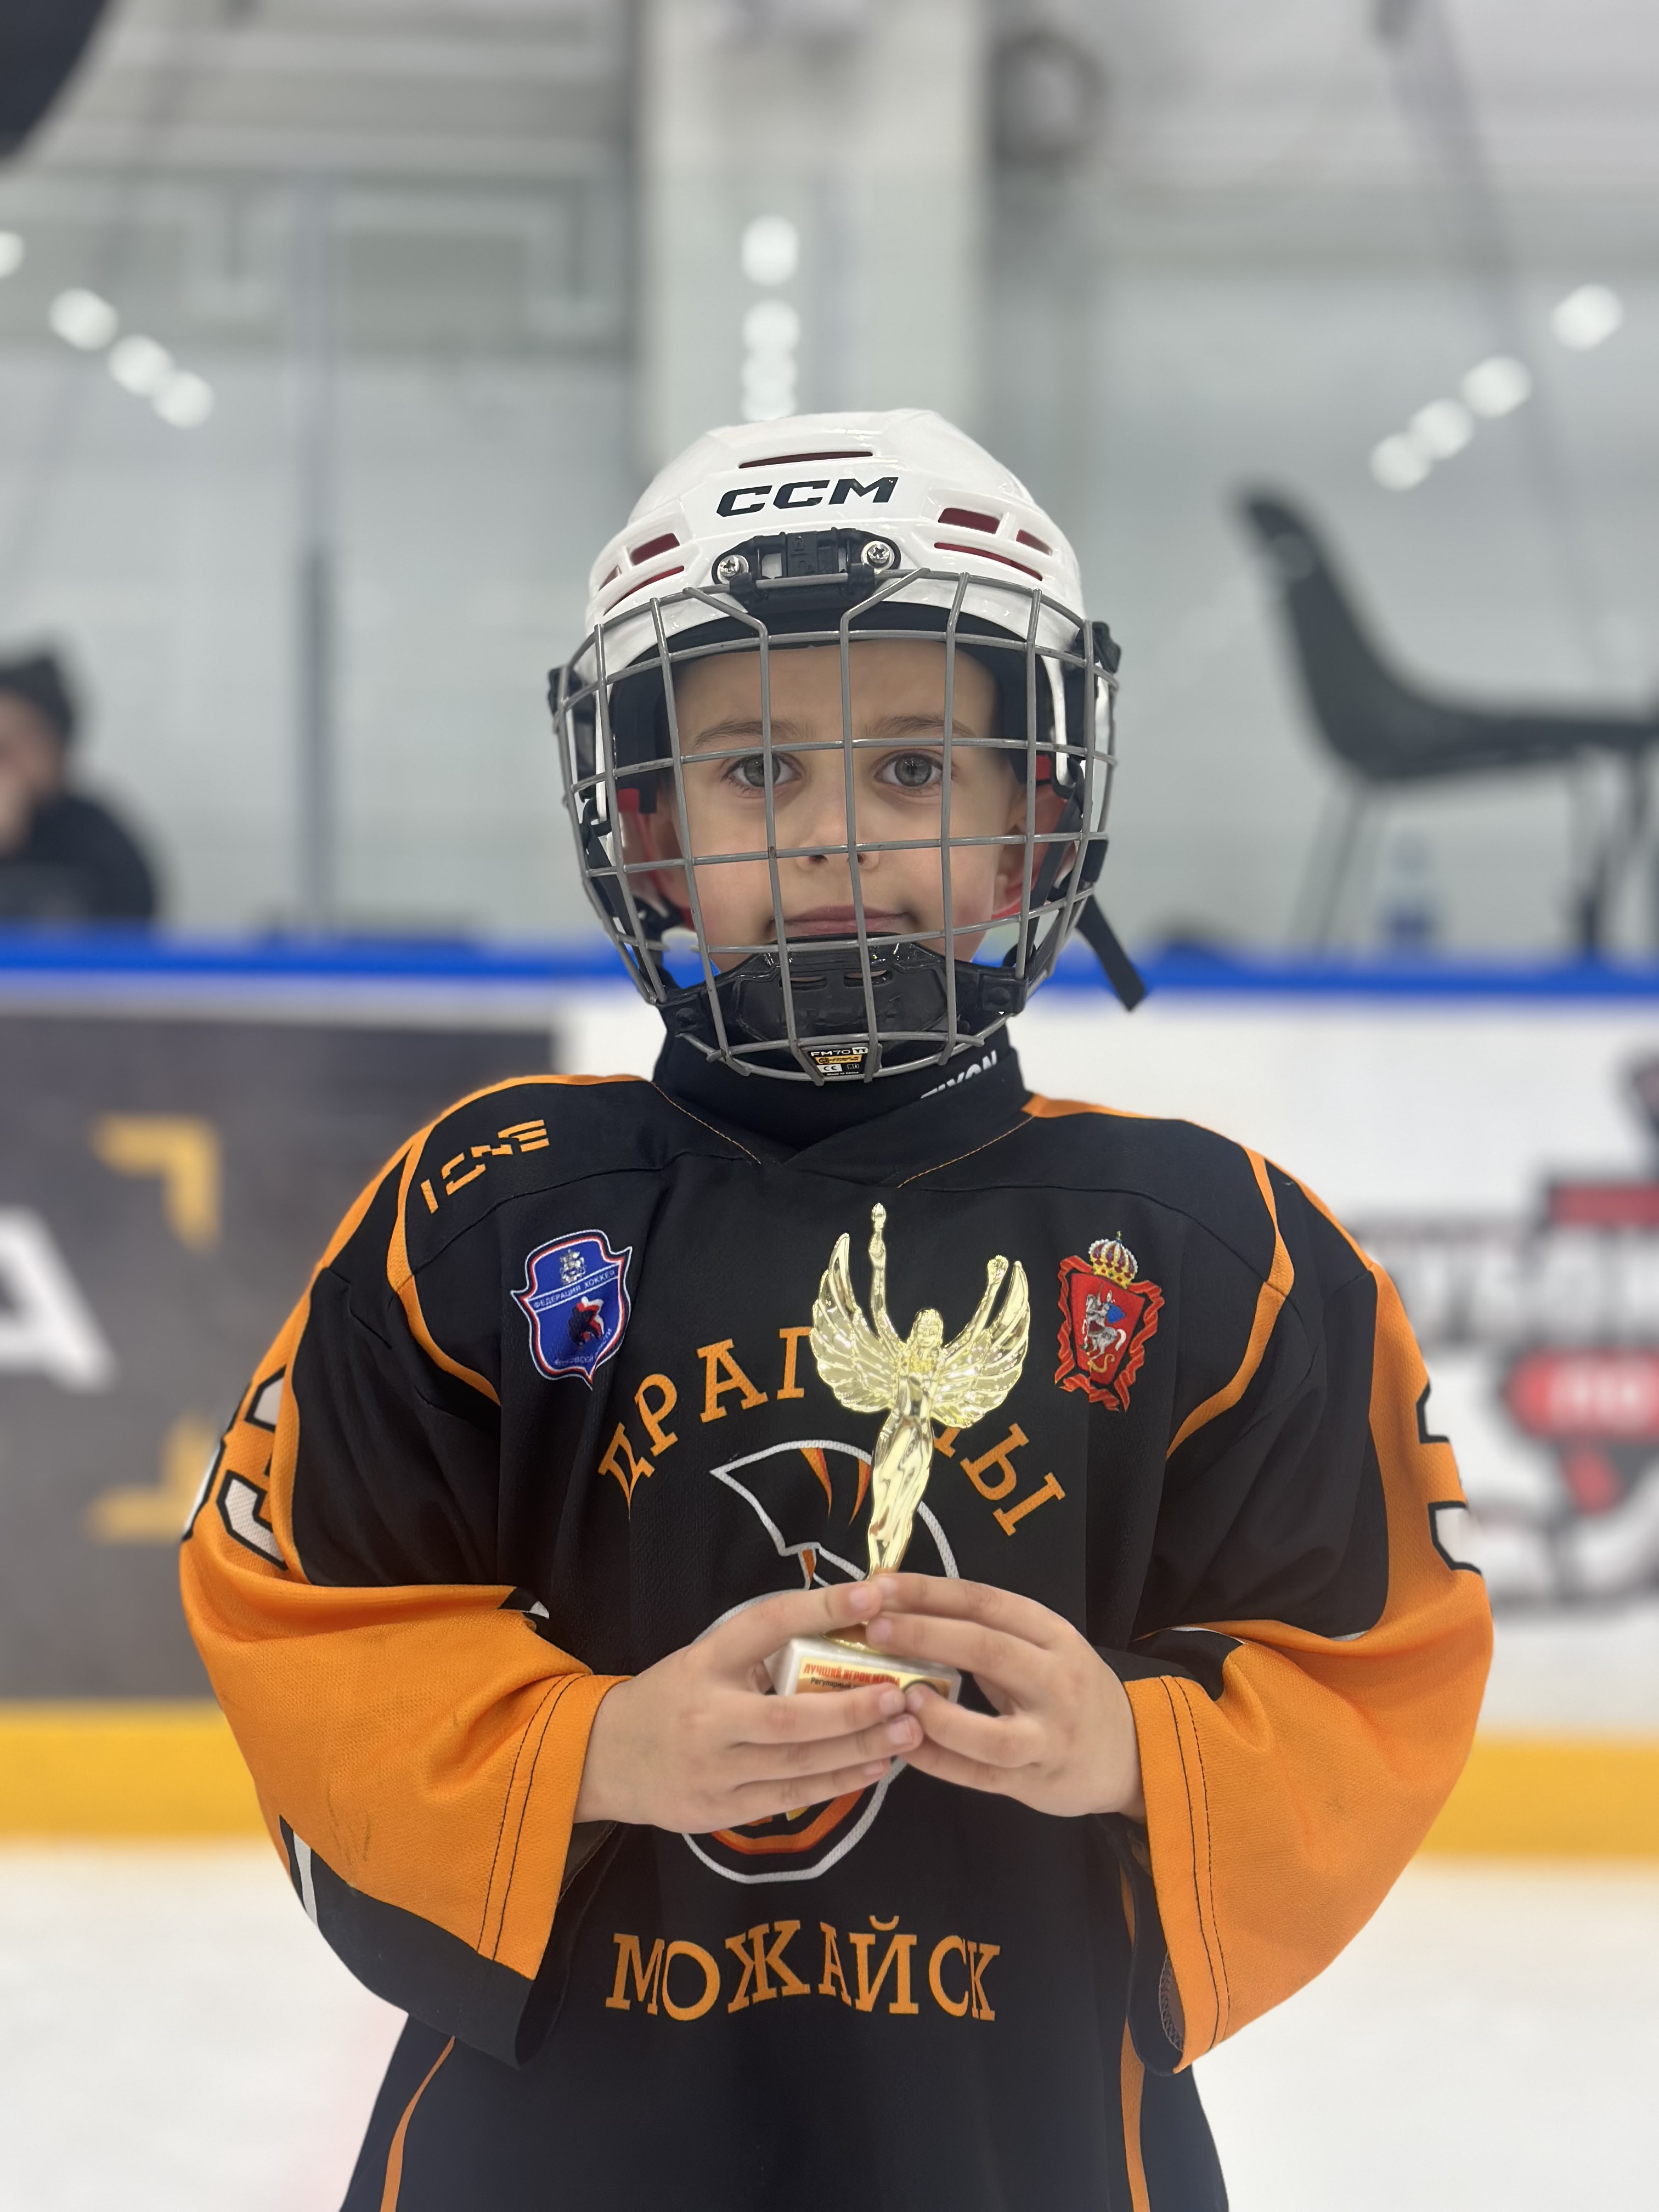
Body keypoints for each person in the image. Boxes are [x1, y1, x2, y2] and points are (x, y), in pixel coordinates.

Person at [181, 411, 1490, 2211]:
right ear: (649, 830)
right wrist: (589, 1749)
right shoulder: (487, 1210)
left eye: (914, 767)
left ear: (1032, 816)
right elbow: (302, 1609)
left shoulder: (1212, 1249)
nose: (832, 838)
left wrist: (1145, 1745)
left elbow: (1375, 1654)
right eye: (754, 772)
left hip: (1019, 2146)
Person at [0, 650, 159, 921]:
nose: (7, 754)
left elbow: (135, 919)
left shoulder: (97, 836)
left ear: (58, 750)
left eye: (22, 736)